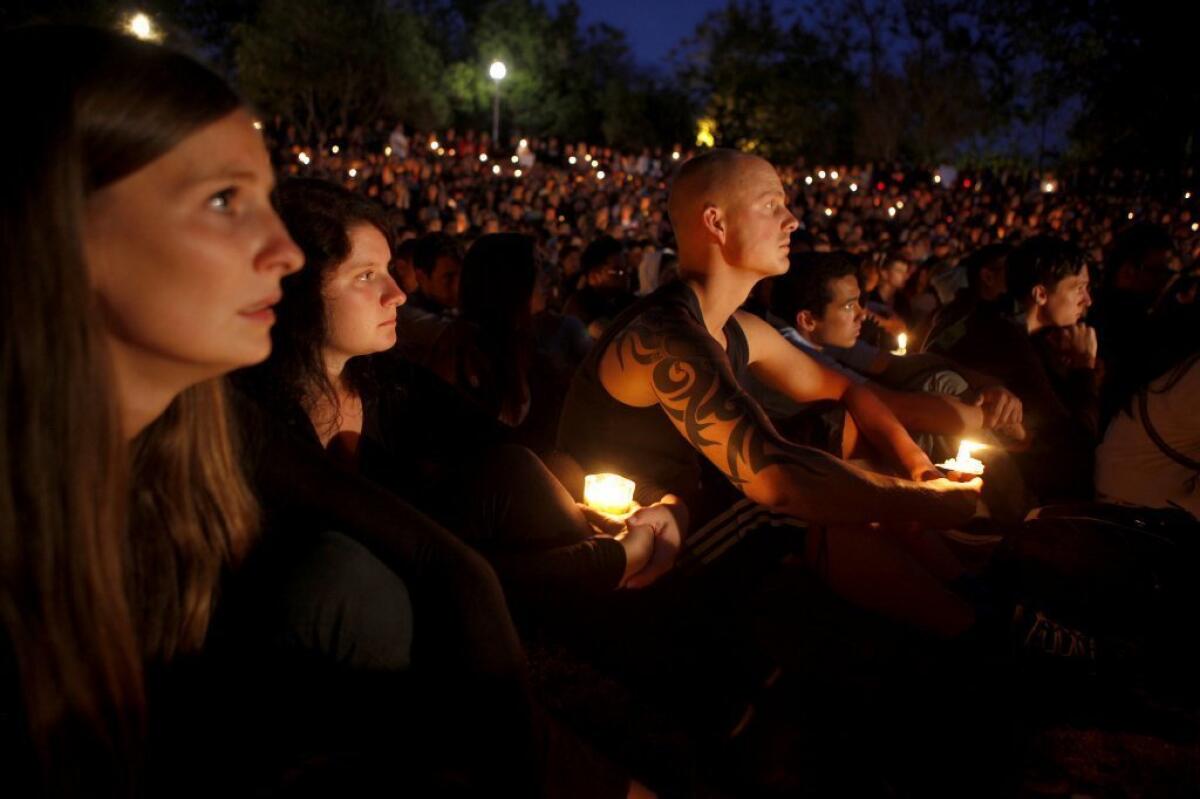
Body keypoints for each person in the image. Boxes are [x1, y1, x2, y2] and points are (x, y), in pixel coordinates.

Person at [0, 25, 643, 798]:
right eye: (222, 201)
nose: (281, 250)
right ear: (62, 221)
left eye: (264, 202)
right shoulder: (196, 433)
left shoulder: (192, 434)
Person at [559, 149, 987, 640]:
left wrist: (922, 472)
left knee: (839, 449)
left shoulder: (739, 327)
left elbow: (848, 389)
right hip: (638, 554)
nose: (792, 220)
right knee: (792, 508)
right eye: (772, 205)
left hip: (690, 516)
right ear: (716, 223)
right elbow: (779, 481)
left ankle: (974, 593)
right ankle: (979, 632)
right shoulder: (663, 337)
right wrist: (923, 502)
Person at [235, 180, 673, 602]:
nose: (398, 294)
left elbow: (509, 445)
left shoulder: (390, 381)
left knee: (513, 468)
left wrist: (654, 500)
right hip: (354, 607)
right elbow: (418, 562)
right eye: (366, 275)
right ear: (296, 289)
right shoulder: (251, 412)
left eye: (389, 270)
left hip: (442, 577)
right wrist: (601, 560)